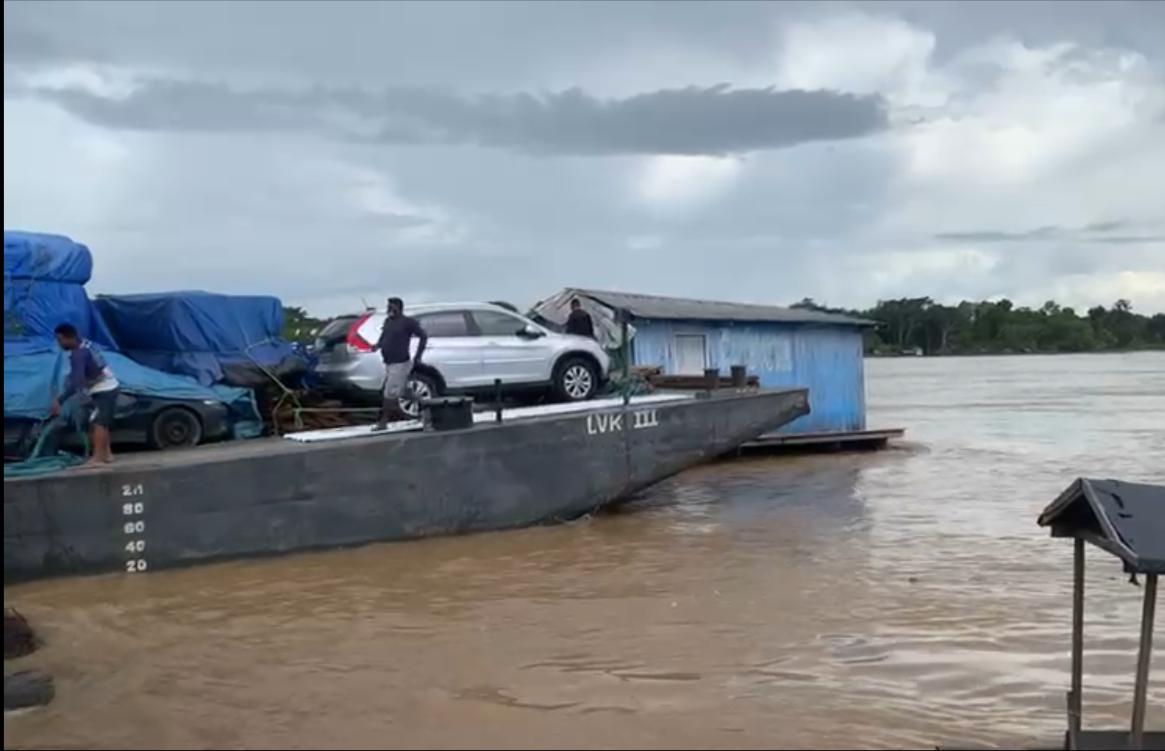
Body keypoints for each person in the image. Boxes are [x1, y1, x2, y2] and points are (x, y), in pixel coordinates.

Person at [51, 323, 120, 466]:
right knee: (101, 422)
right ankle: (107, 455)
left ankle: (98, 458)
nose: (59, 344)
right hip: (105, 387)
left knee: (98, 423)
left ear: (69, 338)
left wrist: (60, 400)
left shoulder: (79, 354)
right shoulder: (85, 344)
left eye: (60, 340)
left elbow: (77, 381)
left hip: (105, 389)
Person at [374, 297, 428, 430]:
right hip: (389, 362)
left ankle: (383, 421)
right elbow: (384, 336)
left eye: (391, 307)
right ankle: (426, 412)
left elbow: (423, 336)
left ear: (399, 308)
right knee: (404, 392)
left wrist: (418, 356)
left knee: (389, 393)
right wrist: (377, 345)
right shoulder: (388, 321)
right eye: (388, 307)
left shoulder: (407, 322)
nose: (389, 309)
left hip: (401, 363)